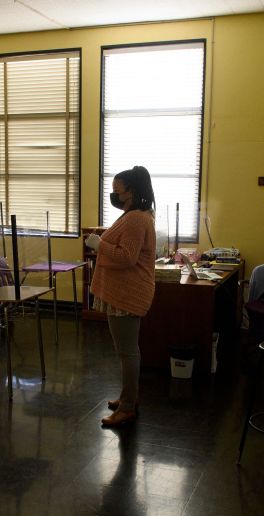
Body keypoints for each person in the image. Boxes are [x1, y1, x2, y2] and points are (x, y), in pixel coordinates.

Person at [85, 166, 157, 427]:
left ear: (132, 191)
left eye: (117, 190)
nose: (113, 195)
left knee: (127, 352)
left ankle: (127, 407)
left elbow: (127, 257)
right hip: (125, 292)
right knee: (127, 351)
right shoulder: (134, 215)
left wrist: (98, 244)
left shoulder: (137, 218)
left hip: (128, 293)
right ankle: (129, 397)